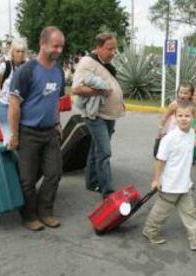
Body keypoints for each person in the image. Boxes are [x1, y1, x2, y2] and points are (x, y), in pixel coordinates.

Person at [8, 26, 65, 231]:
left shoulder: (58, 70)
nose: (59, 50)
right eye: (55, 46)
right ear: (42, 44)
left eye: (61, 46)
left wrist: (57, 123)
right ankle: (29, 216)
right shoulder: (27, 71)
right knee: (27, 179)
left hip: (50, 132)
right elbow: (14, 104)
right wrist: (13, 135)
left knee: (54, 173)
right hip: (28, 132)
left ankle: (46, 212)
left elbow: (55, 100)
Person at [142, 101, 196, 250]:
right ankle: (150, 231)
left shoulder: (191, 133)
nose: (183, 118)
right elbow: (160, 161)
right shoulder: (169, 139)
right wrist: (156, 180)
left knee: (190, 213)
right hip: (169, 184)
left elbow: (188, 147)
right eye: (180, 115)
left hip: (184, 184)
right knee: (161, 212)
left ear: (193, 117)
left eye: (187, 116)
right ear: (175, 117)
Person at [72, 33, 125, 198]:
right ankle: (107, 191)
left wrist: (119, 101)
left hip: (109, 115)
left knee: (96, 148)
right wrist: (101, 90)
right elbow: (76, 88)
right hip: (96, 115)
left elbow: (110, 84)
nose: (112, 53)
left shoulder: (105, 64)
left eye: (114, 49)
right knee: (104, 152)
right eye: (109, 49)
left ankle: (92, 182)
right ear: (99, 47)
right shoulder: (88, 62)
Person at [0, 38, 27, 145]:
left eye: (22, 51)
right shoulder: (5, 66)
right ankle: (8, 158)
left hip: (20, 107)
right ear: (12, 52)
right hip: (4, 106)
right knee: (9, 138)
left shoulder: (27, 67)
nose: (20, 54)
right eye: (17, 51)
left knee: (20, 138)